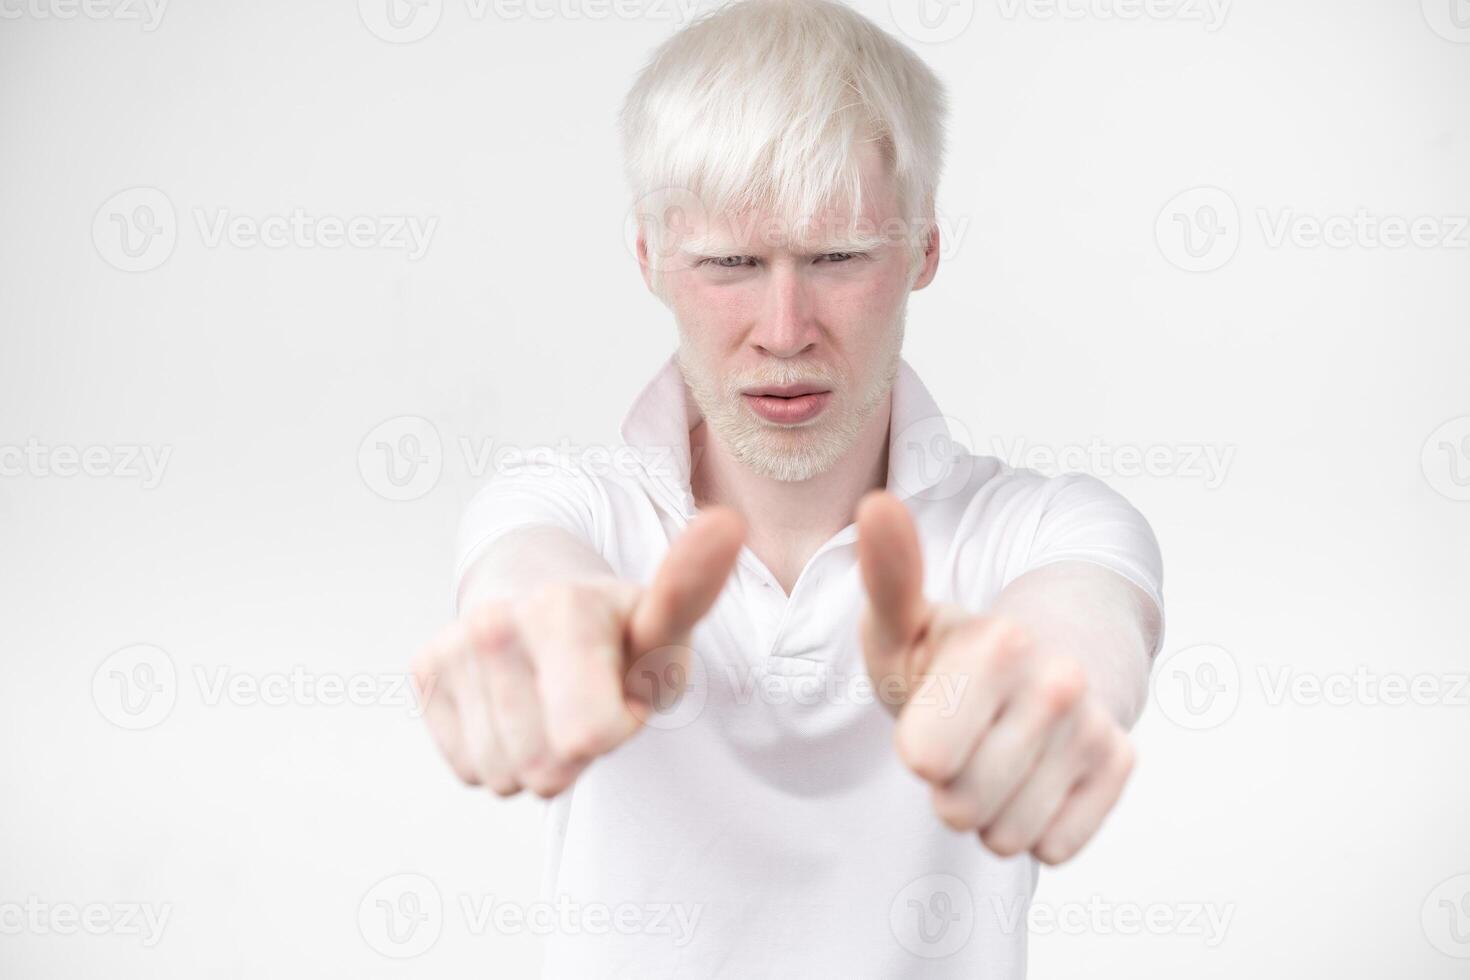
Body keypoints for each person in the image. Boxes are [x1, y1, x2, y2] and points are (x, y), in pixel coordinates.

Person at [412, 0, 1164, 975]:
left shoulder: (1040, 525)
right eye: (730, 262)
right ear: (648, 255)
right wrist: (550, 639)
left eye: (838, 258)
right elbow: (529, 574)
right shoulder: (563, 508)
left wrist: (1038, 686)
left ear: (924, 249)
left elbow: (1086, 617)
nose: (784, 327)